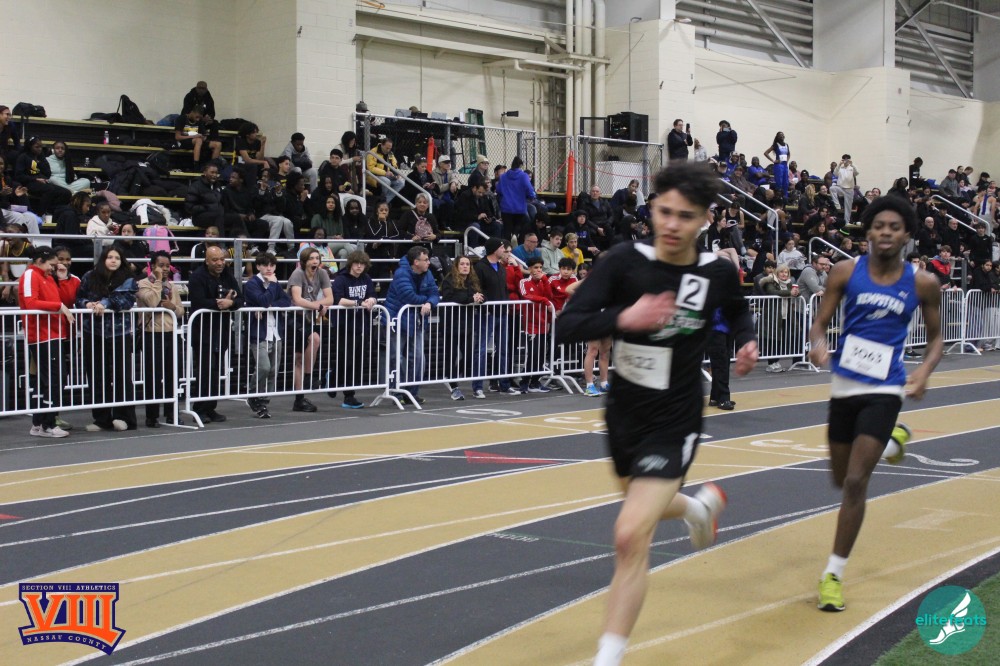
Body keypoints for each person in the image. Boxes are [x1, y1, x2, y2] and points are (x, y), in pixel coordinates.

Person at [556, 162, 758, 666]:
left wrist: (747, 340)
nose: (671, 224)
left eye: (685, 216)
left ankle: (608, 657)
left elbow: (736, 308)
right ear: (652, 209)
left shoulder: (715, 271)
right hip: (625, 413)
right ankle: (695, 509)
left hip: (676, 416)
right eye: (664, 212)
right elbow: (568, 325)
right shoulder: (625, 261)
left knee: (629, 535)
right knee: (641, 508)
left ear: (705, 219)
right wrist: (626, 316)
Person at [807, 195, 942, 613]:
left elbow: (937, 337)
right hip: (845, 384)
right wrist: (818, 344)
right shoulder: (846, 272)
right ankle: (890, 441)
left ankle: (833, 574)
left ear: (907, 235)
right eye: (879, 225)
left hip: (886, 387)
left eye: (894, 227)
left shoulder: (922, 283)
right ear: (867, 231)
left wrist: (924, 370)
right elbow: (820, 323)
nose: (885, 232)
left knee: (855, 482)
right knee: (839, 477)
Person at [76, 246, 139, 432]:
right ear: (103, 259)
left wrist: (105, 303)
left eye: (117, 258)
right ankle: (101, 419)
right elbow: (78, 298)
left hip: (119, 333)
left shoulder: (128, 278)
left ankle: (124, 417)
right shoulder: (89, 276)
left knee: (122, 375)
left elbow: (126, 301)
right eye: (110, 257)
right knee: (96, 375)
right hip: (93, 332)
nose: (113, 260)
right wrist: (87, 304)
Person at [18, 246, 76, 437]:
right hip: (41, 335)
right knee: (52, 379)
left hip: (53, 334)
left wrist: (63, 281)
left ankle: (40, 423)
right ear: (40, 261)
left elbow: (65, 299)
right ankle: (46, 424)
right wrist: (58, 306)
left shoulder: (48, 277)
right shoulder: (30, 275)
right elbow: (30, 303)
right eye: (51, 264)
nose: (54, 268)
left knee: (54, 379)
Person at [188, 245, 244, 423]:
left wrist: (231, 304)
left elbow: (240, 298)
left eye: (222, 259)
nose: (220, 263)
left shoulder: (227, 274)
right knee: (205, 371)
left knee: (216, 371)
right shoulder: (197, 276)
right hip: (203, 331)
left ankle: (211, 407)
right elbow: (198, 301)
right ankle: (199, 409)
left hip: (222, 330)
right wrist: (220, 303)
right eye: (215, 260)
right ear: (206, 261)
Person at [384, 246, 440, 404]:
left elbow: (435, 293)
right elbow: (409, 296)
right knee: (396, 358)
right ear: (416, 262)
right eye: (426, 260)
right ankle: (396, 392)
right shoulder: (401, 273)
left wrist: (430, 303)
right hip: (397, 320)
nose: (429, 263)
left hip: (417, 321)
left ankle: (411, 393)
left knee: (418, 358)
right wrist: (426, 301)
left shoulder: (428, 273)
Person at [136, 251, 185, 427]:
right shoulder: (142, 284)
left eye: (167, 266)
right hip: (152, 333)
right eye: (160, 265)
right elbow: (151, 301)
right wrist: (157, 281)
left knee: (173, 375)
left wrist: (172, 307)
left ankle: (172, 412)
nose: (164, 269)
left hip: (171, 333)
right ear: (152, 266)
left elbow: (181, 311)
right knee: (153, 376)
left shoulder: (171, 286)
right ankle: (152, 416)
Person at [243, 252, 291, 419]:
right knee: (263, 366)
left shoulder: (275, 283)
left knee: (273, 370)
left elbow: (286, 301)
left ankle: (263, 402)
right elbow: (262, 300)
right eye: (265, 265)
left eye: (272, 265)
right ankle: (252, 394)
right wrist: (271, 287)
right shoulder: (252, 284)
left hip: (276, 332)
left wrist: (270, 305)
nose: (269, 268)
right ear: (258, 266)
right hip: (259, 333)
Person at [287, 247, 334, 413]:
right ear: (304, 262)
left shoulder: (322, 274)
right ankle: (302, 390)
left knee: (311, 344)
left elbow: (330, 298)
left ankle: (304, 387)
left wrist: (318, 305)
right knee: (302, 354)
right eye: (311, 259)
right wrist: (318, 306)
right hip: (294, 317)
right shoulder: (297, 274)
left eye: (317, 258)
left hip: (309, 316)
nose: (315, 261)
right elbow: (297, 299)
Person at [473, 238, 520, 397]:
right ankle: (478, 386)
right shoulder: (480, 267)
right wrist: (484, 304)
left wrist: (506, 306)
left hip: (502, 312)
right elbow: (477, 288)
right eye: (501, 248)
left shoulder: (501, 267)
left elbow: (504, 289)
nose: (504, 250)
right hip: (486, 313)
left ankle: (504, 384)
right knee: (481, 349)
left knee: (503, 349)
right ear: (494, 249)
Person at [330, 250, 378, 409]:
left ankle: (347, 393)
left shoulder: (366, 278)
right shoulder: (341, 279)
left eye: (362, 264)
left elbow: (372, 294)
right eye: (357, 263)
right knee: (345, 359)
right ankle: (336, 382)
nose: (359, 267)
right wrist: (358, 302)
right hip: (343, 325)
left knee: (357, 360)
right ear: (351, 263)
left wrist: (371, 300)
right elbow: (338, 300)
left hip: (361, 325)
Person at [440, 255, 484, 400]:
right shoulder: (449, 280)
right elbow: (450, 298)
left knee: (469, 356)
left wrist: (479, 298)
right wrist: (471, 299)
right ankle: (454, 387)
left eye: (467, 264)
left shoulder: (472, 281)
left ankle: (451, 377)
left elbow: (482, 295)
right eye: (462, 264)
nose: (465, 266)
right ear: (456, 266)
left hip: (468, 324)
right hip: (451, 323)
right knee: (451, 356)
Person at [15, 137, 71, 215]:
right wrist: (35, 179)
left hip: (42, 182)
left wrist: (40, 163)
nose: (40, 149)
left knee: (66, 193)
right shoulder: (23, 157)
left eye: (41, 147)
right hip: (29, 183)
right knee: (50, 189)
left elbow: (48, 173)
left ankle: (51, 210)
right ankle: (40, 214)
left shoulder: (41, 157)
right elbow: (19, 176)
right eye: (37, 147)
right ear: (30, 147)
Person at [496, 156, 536, 240]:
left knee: (507, 228)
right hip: (519, 207)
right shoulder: (524, 176)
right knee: (519, 224)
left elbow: (498, 190)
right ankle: (515, 234)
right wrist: (532, 196)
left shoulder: (503, 176)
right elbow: (529, 189)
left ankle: (507, 244)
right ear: (520, 165)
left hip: (506, 207)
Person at [706, 309, 735, 410]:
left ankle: (715, 397)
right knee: (721, 363)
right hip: (716, 328)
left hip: (725, 327)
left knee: (723, 363)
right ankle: (723, 398)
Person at [365, 137, 404, 204]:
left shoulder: (390, 153)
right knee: (386, 181)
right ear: (382, 145)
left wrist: (396, 174)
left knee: (401, 183)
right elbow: (370, 168)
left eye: (390, 148)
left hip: (387, 175)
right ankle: (382, 200)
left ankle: (385, 201)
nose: (388, 150)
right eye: (387, 148)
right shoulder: (372, 152)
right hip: (374, 176)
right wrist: (385, 173)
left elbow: (394, 165)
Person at [763, 131, 791, 199]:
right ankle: (779, 197)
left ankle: (785, 197)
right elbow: (766, 153)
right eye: (780, 135)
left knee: (786, 182)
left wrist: (787, 160)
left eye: (782, 135)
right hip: (779, 165)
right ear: (777, 137)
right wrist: (773, 160)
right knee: (779, 182)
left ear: (784, 136)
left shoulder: (786, 145)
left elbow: (788, 154)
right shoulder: (776, 145)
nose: (781, 136)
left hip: (785, 165)